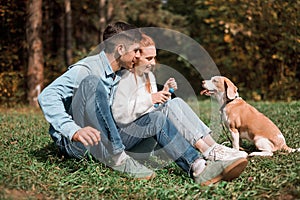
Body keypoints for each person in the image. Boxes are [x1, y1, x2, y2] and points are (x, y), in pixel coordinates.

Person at [111, 33, 248, 185]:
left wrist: (164, 94)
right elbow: (119, 116)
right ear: (135, 56)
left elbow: (151, 110)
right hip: (126, 143)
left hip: (144, 136)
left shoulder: (149, 77)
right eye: (148, 58)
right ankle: (199, 164)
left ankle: (213, 147)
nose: (153, 62)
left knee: (175, 103)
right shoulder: (124, 78)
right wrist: (151, 99)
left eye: (154, 57)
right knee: (159, 116)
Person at [38, 22, 157, 179]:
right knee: (92, 83)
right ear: (120, 49)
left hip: (101, 143)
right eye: (135, 50)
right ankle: (118, 158)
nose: (137, 55)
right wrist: (73, 130)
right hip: (77, 145)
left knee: (159, 117)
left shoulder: (121, 74)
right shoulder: (87, 69)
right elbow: (47, 96)